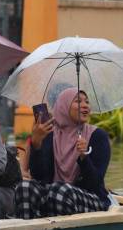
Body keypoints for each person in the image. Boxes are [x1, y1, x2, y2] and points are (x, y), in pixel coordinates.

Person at [15, 88, 111, 219]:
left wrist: (84, 158)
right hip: (54, 194)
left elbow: (95, 183)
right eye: (78, 101)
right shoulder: (50, 134)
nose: (85, 105)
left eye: (87, 102)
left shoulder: (98, 136)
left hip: (91, 198)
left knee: (60, 191)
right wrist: (36, 144)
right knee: (24, 187)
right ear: (63, 106)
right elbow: (39, 177)